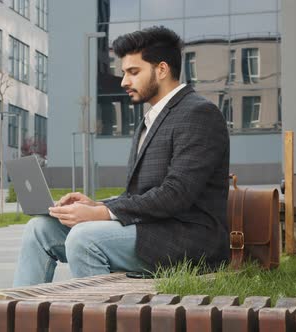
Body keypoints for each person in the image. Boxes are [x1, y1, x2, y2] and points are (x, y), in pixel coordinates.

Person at [13, 26, 230, 286]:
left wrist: (104, 213)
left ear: (162, 70)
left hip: (188, 239)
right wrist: (95, 205)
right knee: (40, 230)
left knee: (84, 239)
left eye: (133, 72)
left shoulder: (199, 113)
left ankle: (106, 318)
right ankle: (20, 316)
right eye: (124, 72)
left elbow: (176, 194)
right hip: (152, 228)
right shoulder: (150, 119)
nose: (124, 81)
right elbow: (139, 195)